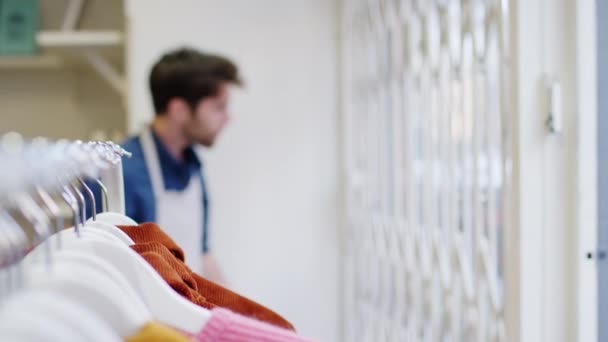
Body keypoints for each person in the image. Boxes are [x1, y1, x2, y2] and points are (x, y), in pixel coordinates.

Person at [88, 47, 241, 283]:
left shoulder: (192, 164)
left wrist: (236, 313)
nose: (228, 117)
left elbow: (202, 254)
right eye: (218, 107)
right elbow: (109, 276)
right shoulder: (121, 175)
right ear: (179, 110)